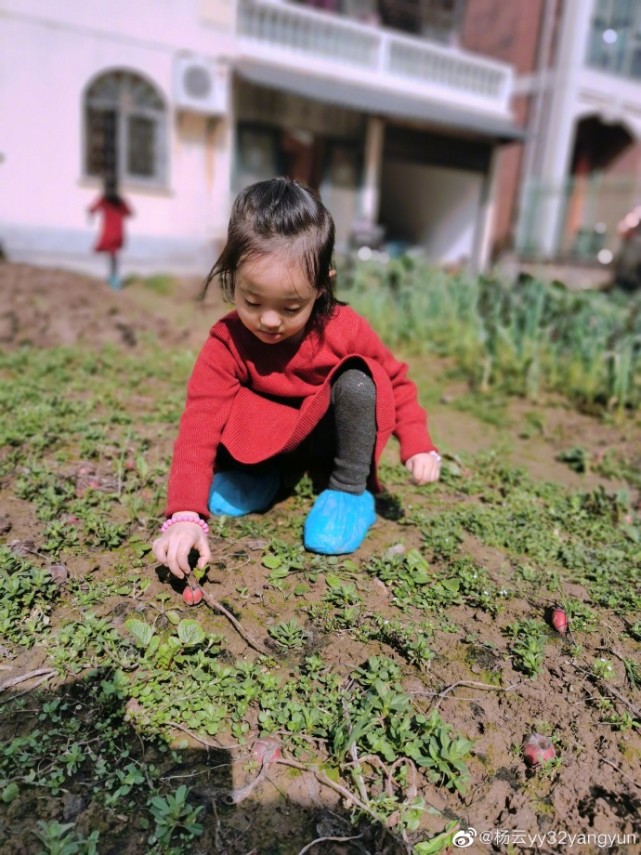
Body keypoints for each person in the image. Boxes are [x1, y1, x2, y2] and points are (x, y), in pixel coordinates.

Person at [152, 177, 441, 581]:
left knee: (360, 380)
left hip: (324, 444)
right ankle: (262, 477)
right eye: (252, 301)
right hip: (263, 447)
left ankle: (348, 492)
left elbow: (394, 379)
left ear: (322, 286)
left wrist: (418, 444)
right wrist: (185, 514)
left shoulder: (343, 328)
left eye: (291, 307)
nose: (269, 321)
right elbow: (200, 422)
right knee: (231, 400)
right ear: (233, 274)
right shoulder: (227, 342)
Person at [88, 174, 133, 290]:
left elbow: (92, 209)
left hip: (108, 232)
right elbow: (130, 213)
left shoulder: (104, 199)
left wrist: (90, 215)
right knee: (114, 255)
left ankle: (113, 278)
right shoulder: (120, 200)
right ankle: (113, 276)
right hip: (118, 232)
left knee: (111, 255)